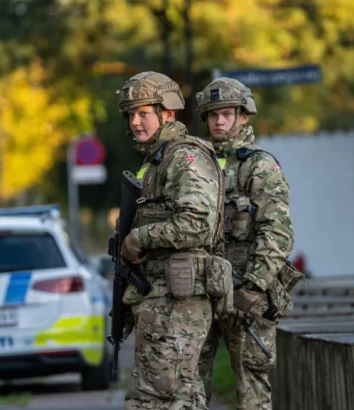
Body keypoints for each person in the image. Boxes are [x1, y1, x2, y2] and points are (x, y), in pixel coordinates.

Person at [116, 71, 229, 410]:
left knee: (156, 399)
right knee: (180, 396)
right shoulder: (157, 160)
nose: (135, 121)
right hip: (163, 301)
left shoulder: (183, 157)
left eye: (143, 113)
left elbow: (197, 223)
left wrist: (141, 237)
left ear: (168, 113)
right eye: (130, 114)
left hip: (177, 303)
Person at [194, 78, 295, 410]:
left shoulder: (259, 165)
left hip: (248, 296)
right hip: (202, 292)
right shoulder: (198, 165)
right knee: (190, 386)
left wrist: (252, 289)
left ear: (243, 116)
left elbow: (277, 234)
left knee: (252, 393)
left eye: (226, 114)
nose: (219, 122)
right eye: (213, 115)